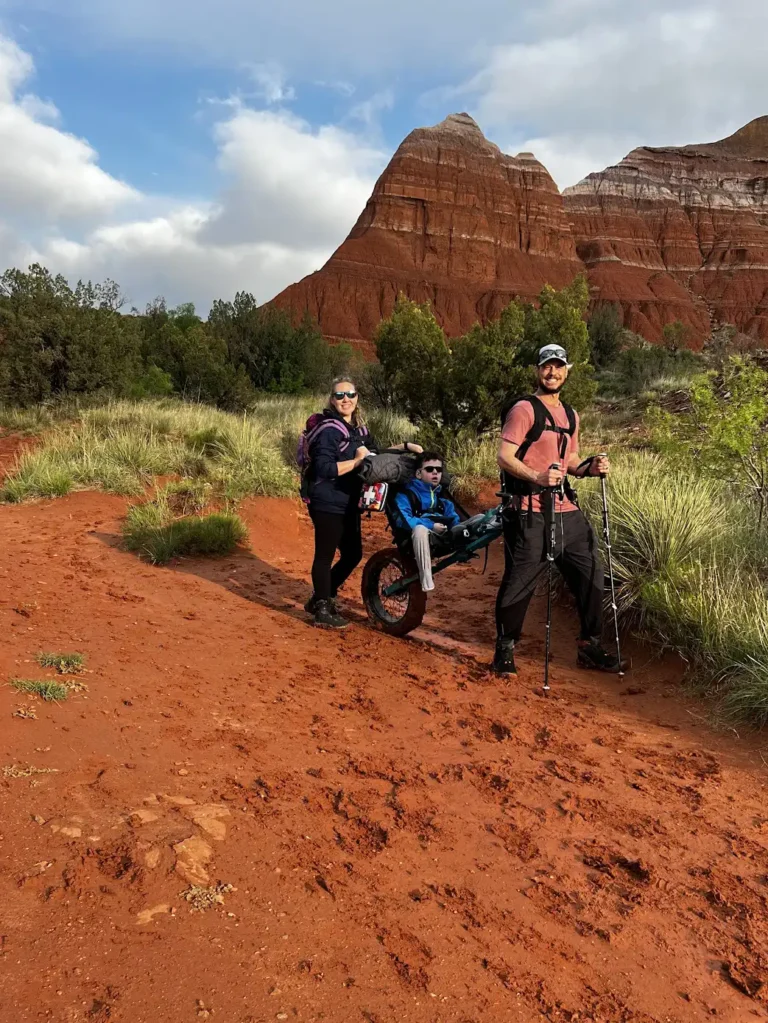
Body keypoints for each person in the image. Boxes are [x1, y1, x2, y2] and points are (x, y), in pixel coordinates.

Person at [493, 343, 626, 676]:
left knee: (591, 573)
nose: (552, 372)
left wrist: (589, 467)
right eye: (546, 367)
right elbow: (505, 457)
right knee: (521, 580)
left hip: (566, 509)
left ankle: (589, 646)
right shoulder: (524, 410)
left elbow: (571, 461)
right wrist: (537, 476)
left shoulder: (571, 414)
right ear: (538, 371)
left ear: (567, 371)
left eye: (558, 367)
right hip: (529, 511)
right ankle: (505, 648)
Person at [305, 377, 421, 629]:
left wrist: (404, 447)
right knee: (324, 556)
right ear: (331, 400)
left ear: (357, 398)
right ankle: (322, 607)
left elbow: (376, 455)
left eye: (350, 394)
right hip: (326, 499)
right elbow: (324, 468)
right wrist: (357, 462)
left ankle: (319, 597)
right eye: (339, 395)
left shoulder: (358, 430)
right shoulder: (329, 431)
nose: (345, 399)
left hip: (348, 501)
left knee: (353, 553)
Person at [393, 452, 462, 592]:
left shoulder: (441, 498)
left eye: (439, 470)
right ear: (418, 473)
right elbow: (405, 521)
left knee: (478, 519)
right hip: (415, 537)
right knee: (420, 529)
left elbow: (453, 517)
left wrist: (455, 528)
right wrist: (431, 526)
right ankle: (426, 580)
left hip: (442, 536)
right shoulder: (406, 495)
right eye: (430, 469)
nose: (435, 472)